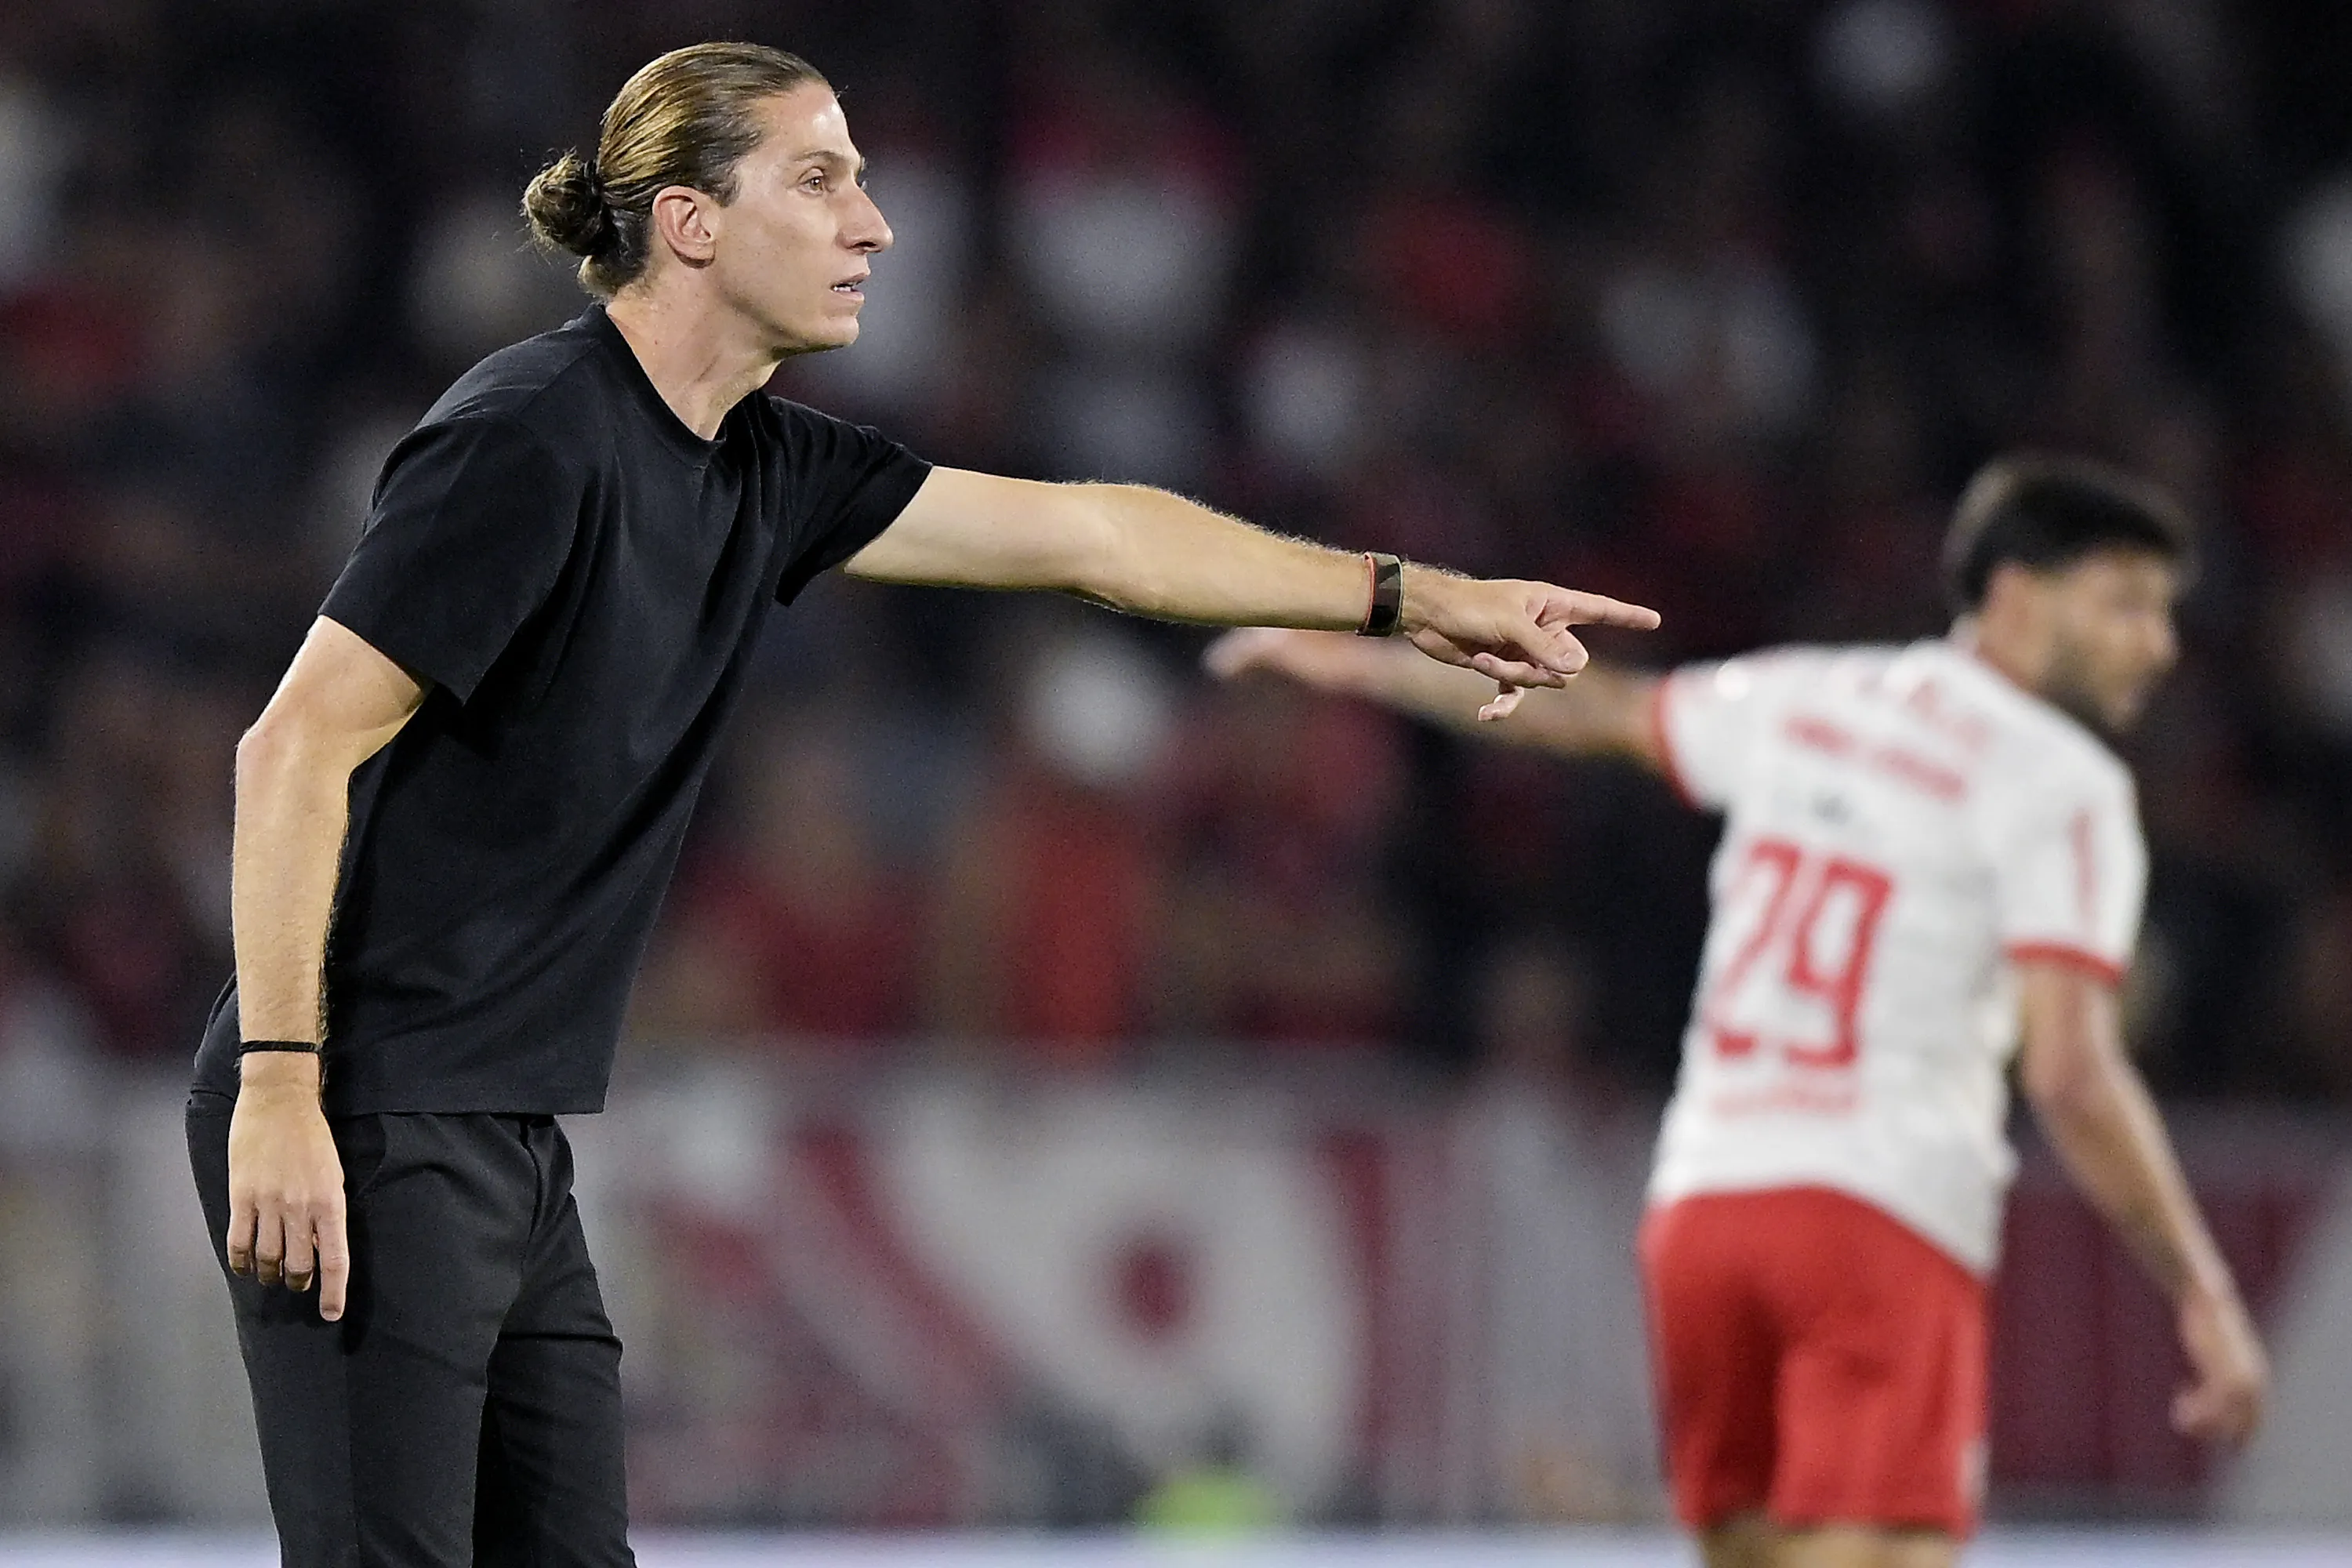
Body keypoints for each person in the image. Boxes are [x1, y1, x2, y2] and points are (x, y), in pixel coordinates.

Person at [186, 41, 1657, 1568]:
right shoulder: (530, 439)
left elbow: (1101, 538)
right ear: (690, 222)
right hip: (363, 1096)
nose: (875, 225)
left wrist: (1411, 597)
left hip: (495, 1125)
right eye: (820, 180)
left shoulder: (767, 468)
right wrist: (284, 1086)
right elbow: (291, 750)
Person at [1208, 454, 2268, 1568]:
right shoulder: (2063, 784)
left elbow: (1598, 712)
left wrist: (1361, 657)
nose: (2158, 643)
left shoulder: (1809, 697)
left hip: (1708, 1211)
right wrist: (2199, 1287)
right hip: (1881, 1212)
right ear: (2016, 595)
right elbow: (2070, 1072)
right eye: (2125, 603)